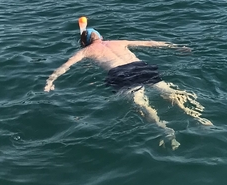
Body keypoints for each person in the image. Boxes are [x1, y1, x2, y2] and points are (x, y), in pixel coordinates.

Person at [45, 17, 211, 149]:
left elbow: (65, 67)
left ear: (85, 42)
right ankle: (198, 117)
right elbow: (150, 43)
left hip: (120, 73)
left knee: (141, 104)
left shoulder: (85, 51)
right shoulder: (119, 42)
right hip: (140, 67)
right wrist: (176, 47)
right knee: (169, 92)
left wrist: (50, 81)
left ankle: (165, 129)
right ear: (100, 36)